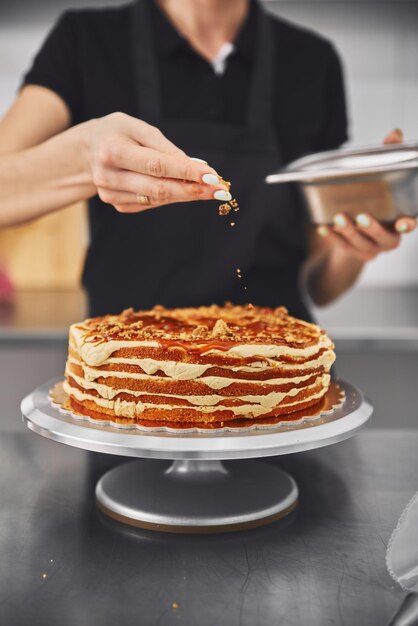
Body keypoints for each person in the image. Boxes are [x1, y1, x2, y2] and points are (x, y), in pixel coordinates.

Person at [0, 0, 415, 318]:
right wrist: (84, 155)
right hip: (129, 369)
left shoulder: (313, 60)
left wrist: (355, 245)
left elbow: (320, 285)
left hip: (273, 372)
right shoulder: (85, 40)